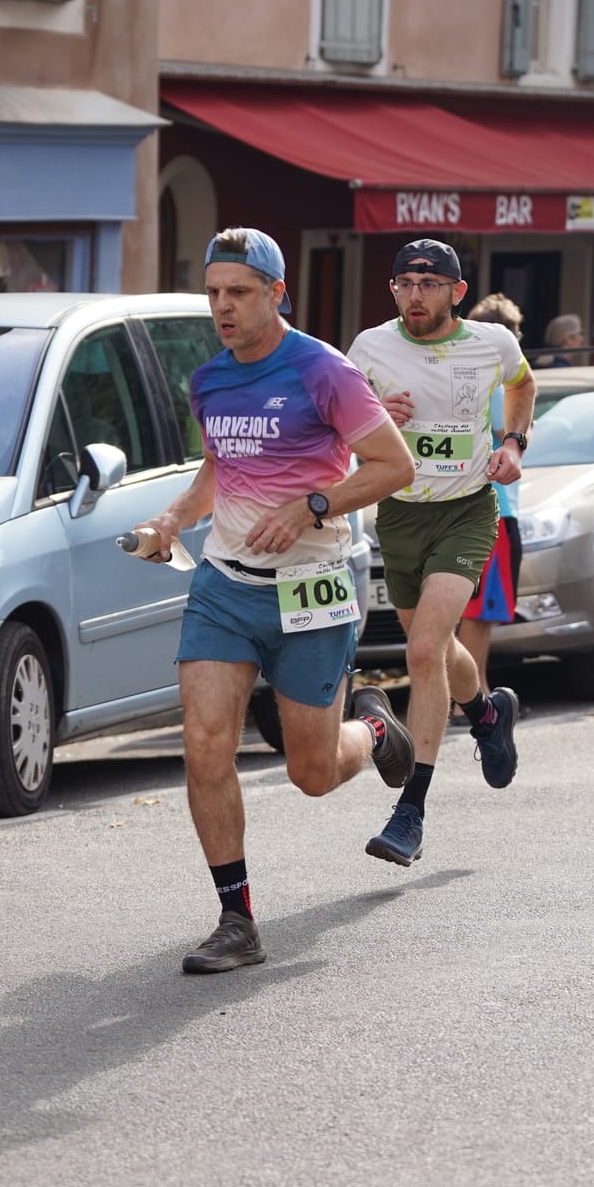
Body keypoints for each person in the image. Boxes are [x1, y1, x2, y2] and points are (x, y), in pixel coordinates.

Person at [128, 227, 417, 975]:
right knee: (204, 742)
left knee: (312, 772)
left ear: (276, 293)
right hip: (226, 585)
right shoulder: (210, 379)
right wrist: (169, 520)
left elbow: (393, 464)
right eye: (214, 293)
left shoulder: (325, 371)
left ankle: (376, 730)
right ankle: (236, 918)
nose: (222, 307)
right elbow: (217, 470)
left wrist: (313, 506)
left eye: (239, 294)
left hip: (313, 588)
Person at [347, 238, 533, 869]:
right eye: (404, 284)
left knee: (424, 649)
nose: (414, 296)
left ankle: (412, 812)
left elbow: (523, 384)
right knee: (436, 651)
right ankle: (486, 712)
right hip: (398, 513)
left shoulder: (492, 344)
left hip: (467, 510)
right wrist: (375, 418)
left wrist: (513, 444)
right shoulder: (369, 348)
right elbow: (338, 431)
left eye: (428, 285)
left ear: (456, 292)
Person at [456, 293, 530, 699]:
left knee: (478, 609)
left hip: (484, 506)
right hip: (495, 510)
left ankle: (473, 690)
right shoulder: (497, 384)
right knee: (479, 610)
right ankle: (471, 696)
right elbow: (507, 433)